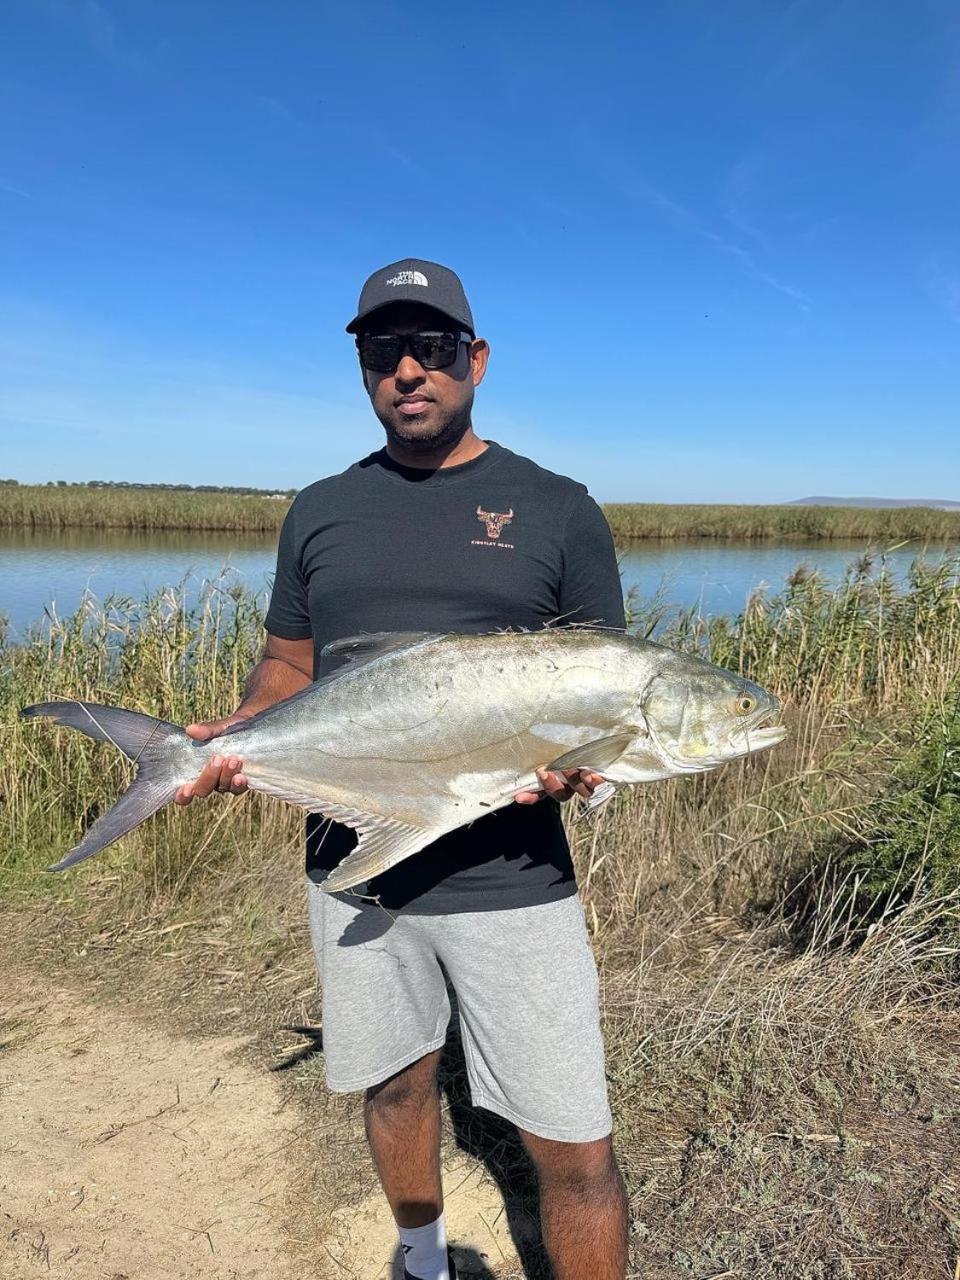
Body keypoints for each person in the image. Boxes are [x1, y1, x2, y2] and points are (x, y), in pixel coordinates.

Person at [175, 259, 629, 1280]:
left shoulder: (558, 507)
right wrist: (238, 736)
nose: (409, 369)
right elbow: (291, 665)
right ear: (363, 367)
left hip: (516, 879)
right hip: (355, 864)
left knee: (575, 1141)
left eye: (431, 348)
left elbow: (602, 685)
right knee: (393, 1085)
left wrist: (570, 766)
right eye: (385, 351)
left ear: (477, 358)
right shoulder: (321, 509)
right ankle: (423, 1263)